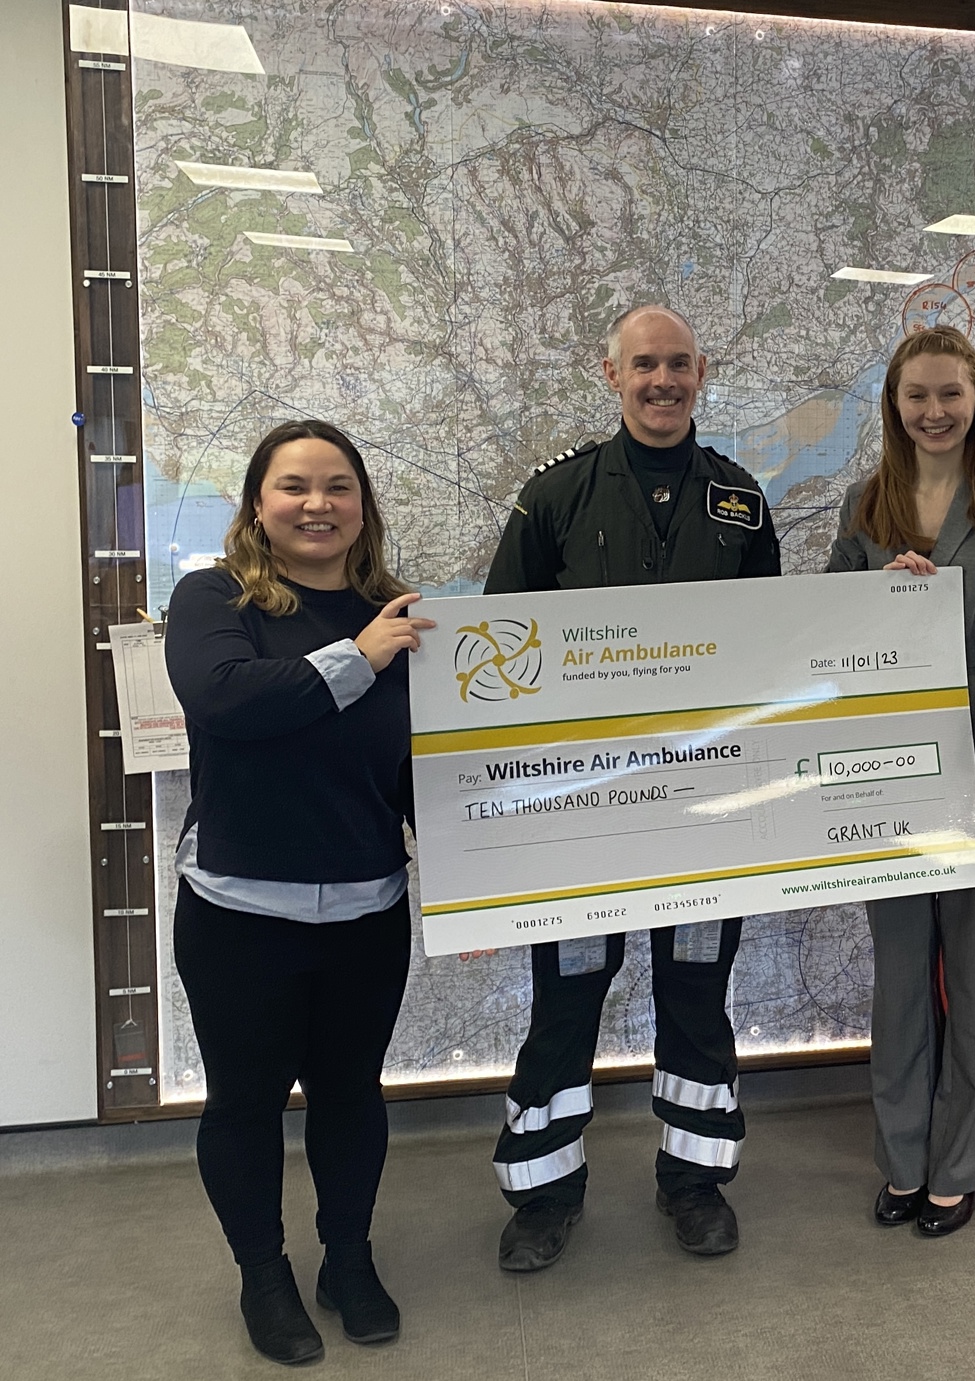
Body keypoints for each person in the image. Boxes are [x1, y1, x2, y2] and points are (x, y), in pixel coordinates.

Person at [485, 304, 780, 1270]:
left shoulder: (741, 501)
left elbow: (778, 647)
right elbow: (501, 652)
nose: (663, 381)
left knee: (697, 995)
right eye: (643, 364)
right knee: (565, 1005)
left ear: (704, 372)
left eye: (679, 365)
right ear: (609, 374)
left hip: (703, 813)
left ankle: (694, 1185)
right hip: (582, 818)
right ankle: (541, 1196)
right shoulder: (554, 498)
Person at [166, 420, 434, 1365]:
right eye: (293, 486)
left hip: (366, 909)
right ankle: (264, 1274)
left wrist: (485, 867)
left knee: (351, 1094)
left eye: (337, 486)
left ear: (363, 505)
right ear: (257, 504)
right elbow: (228, 698)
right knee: (243, 1102)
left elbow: (413, 766)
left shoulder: (395, 613)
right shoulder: (214, 598)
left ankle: (347, 1259)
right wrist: (360, 655)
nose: (316, 503)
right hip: (240, 914)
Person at [826, 325, 975, 1236]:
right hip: (887, 774)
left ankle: (960, 1164)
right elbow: (825, 625)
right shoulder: (866, 507)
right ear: (894, 404)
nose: (935, 411)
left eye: (950, 393)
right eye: (917, 395)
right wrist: (884, 596)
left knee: (974, 980)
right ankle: (904, 1159)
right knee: (901, 979)